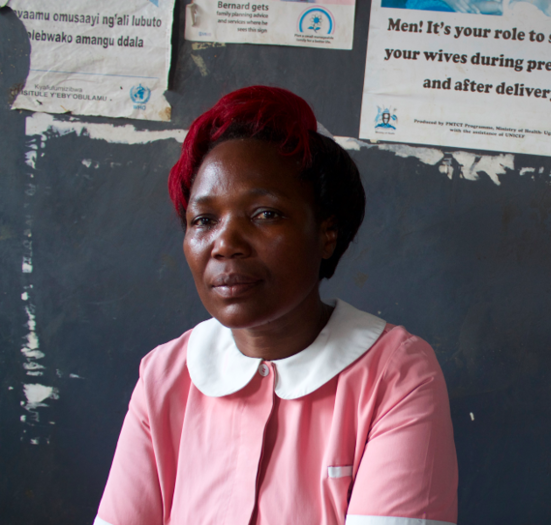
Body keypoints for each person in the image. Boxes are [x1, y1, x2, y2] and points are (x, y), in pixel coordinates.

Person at [93, 86, 458, 525]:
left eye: (265, 214)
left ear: (326, 232)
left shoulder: (395, 375)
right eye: (204, 220)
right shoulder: (165, 375)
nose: (225, 244)